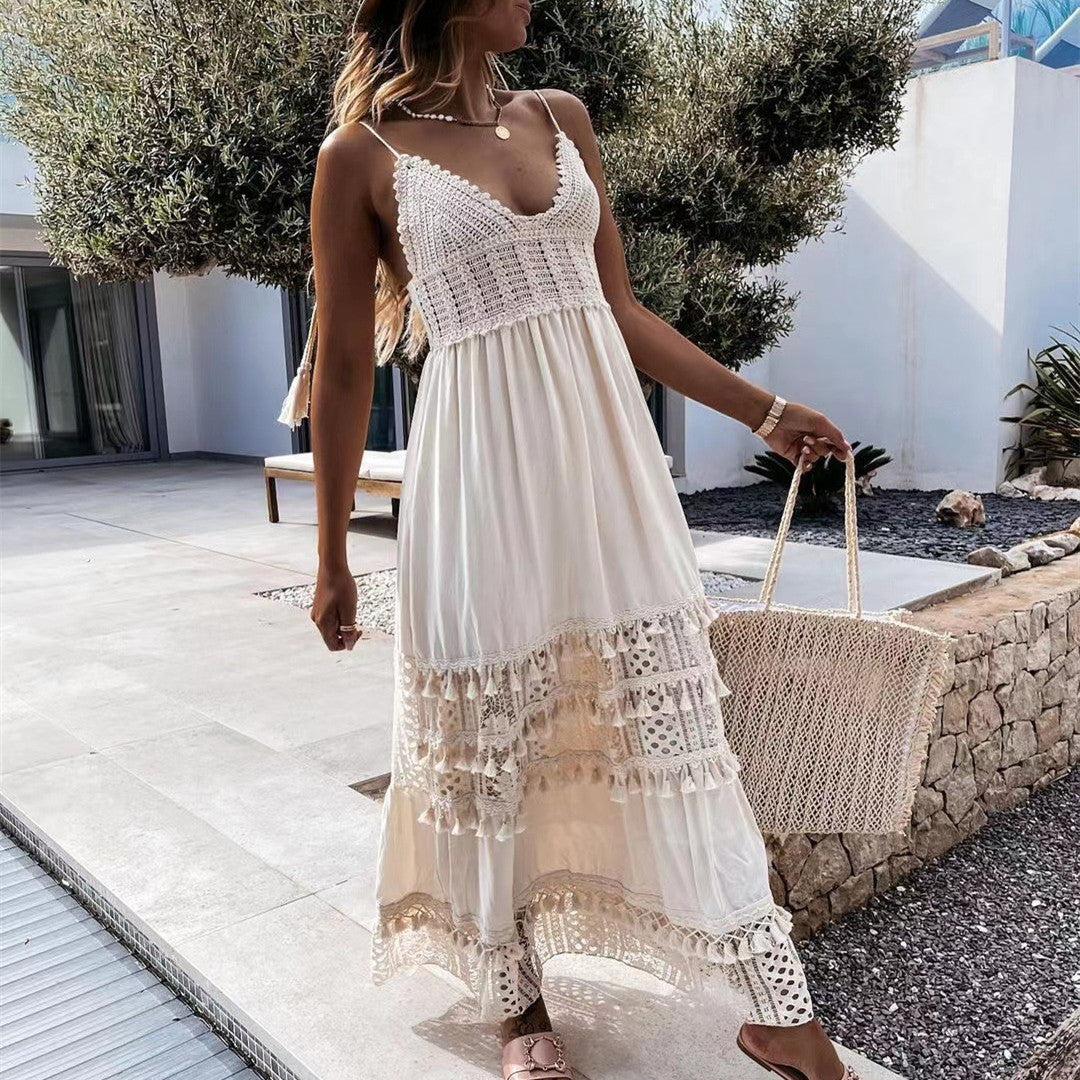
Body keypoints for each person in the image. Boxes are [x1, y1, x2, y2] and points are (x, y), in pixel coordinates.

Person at [284, 1, 859, 1077]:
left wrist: (762, 410)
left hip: (606, 476)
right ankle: (518, 1005)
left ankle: (780, 1005)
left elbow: (621, 310)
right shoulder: (357, 157)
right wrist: (328, 560)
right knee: (500, 736)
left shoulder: (560, 115)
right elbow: (348, 371)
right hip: (477, 484)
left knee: (672, 721)